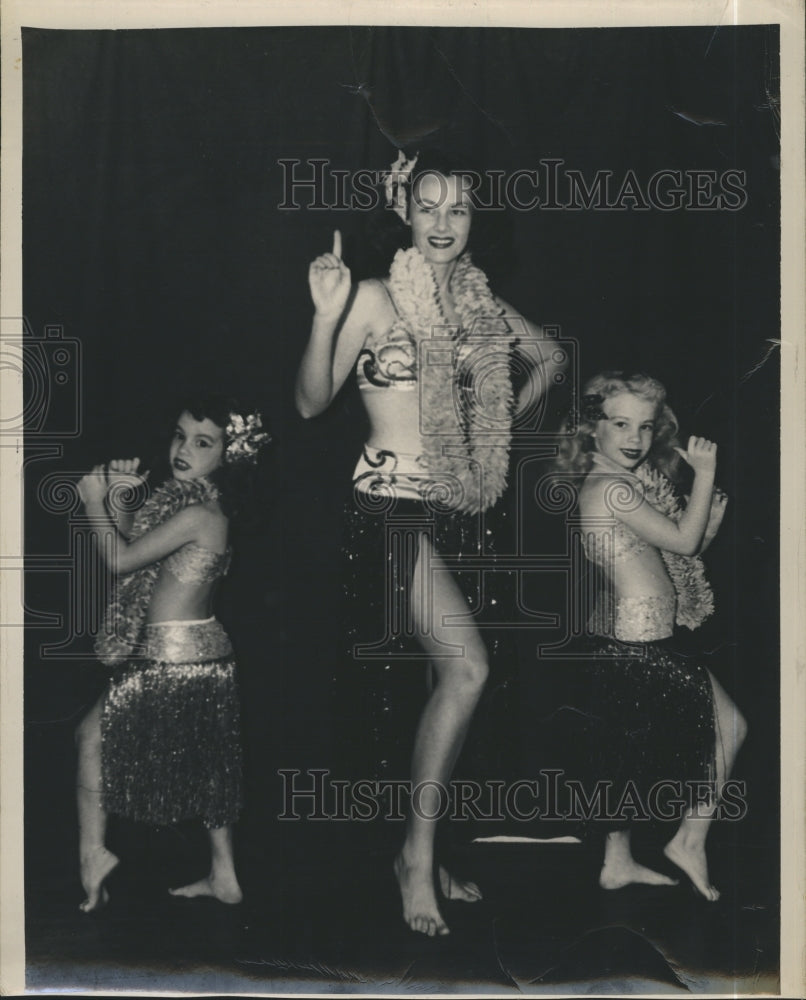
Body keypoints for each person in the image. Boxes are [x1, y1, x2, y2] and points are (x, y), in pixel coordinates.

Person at [295, 148, 564, 936]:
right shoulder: (375, 296)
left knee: (437, 690)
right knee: (467, 668)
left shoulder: (481, 307)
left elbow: (548, 356)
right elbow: (311, 403)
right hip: (390, 510)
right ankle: (417, 859)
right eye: (430, 206)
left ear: (475, 220)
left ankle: (428, 848)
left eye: (460, 209)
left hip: (459, 510)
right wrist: (324, 314)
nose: (443, 223)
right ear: (406, 214)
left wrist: (498, 426)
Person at [74, 393, 269, 912]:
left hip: (171, 656)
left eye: (203, 442)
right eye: (180, 436)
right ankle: (225, 876)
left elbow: (119, 562)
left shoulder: (203, 513)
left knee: (91, 737)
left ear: (229, 455)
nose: (184, 449)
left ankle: (93, 853)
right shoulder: (191, 505)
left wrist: (93, 499)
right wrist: (118, 498)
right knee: (211, 763)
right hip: (198, 651)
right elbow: (138, 554)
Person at [555, 371, 746, 901]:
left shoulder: (610, 483)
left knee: (624, 755)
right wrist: (705, 474)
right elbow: (681, 546)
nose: (635, 438)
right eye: (620, 423)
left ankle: (617, 864)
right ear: (591, 427)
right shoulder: (612, 487)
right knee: (731, 725)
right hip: (637, 643)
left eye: (645, 425)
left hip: (632, 640)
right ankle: (690, 839)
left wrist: (705, 529)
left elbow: (670, 552)